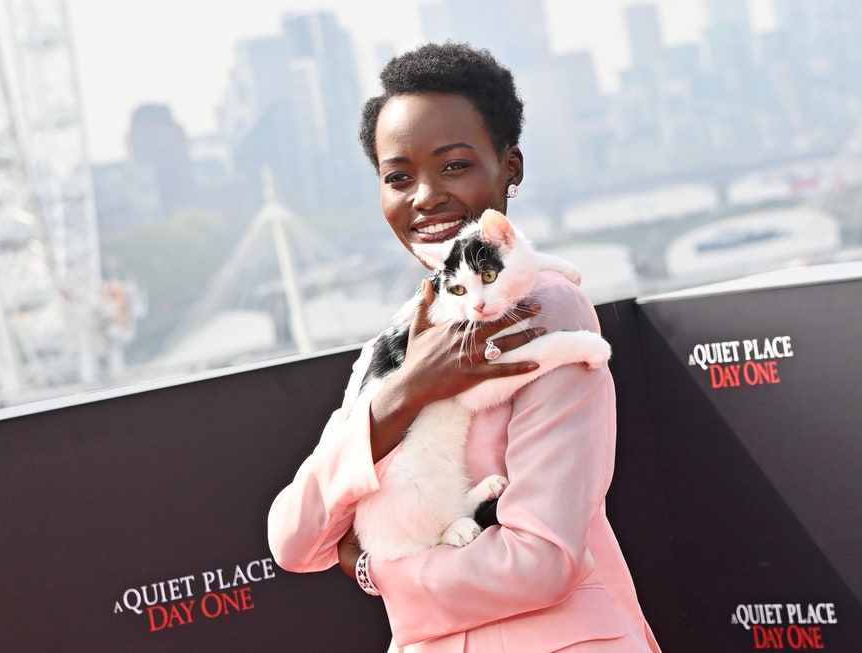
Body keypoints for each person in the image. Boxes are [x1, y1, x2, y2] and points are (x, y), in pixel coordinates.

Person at [267, 41, 662, 653]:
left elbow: (540, 562)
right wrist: (404, 391)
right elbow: (294, 540)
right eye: (398, 176)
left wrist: (378, 571)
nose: (423, 196)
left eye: (453, 165)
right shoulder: (395, 346)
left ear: (511, 167)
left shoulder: (543, 310)